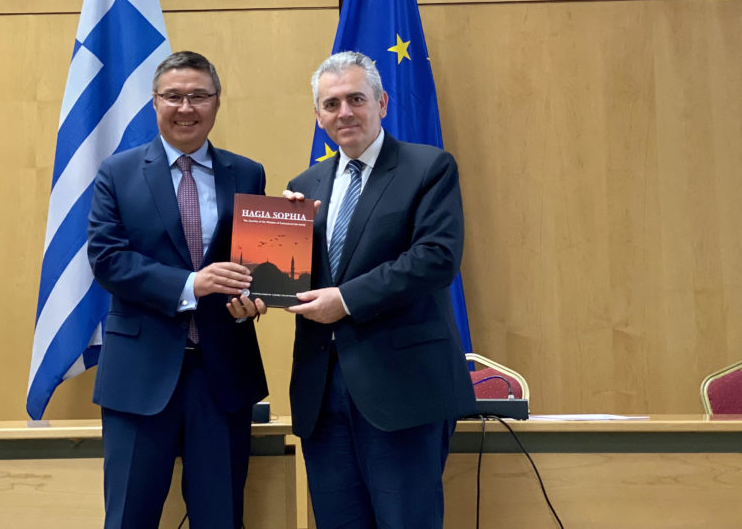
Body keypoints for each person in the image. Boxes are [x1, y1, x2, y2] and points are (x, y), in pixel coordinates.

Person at [284, 51, 477, 529]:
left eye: (356, 99)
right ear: (318, 116)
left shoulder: (427, 167)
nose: (344, 112)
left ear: (382, 103)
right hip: (321, 393)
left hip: (402, 389)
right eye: (331, 104)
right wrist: (273, 252)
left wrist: (346, 301)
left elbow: (436, 258)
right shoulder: (304, 186)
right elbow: (293, 281)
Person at [87, 51, 269, 529]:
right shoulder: (117, 172)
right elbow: (107, 259)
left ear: (217, 102)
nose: (185, 107)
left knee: (221, 517)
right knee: (129, 517)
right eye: (173, 96)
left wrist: (255, 298)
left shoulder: (247, 173)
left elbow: (256, 264)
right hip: (139, 375)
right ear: (154, 102)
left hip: (222, 375)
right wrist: (191, 284)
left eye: (198, 96)